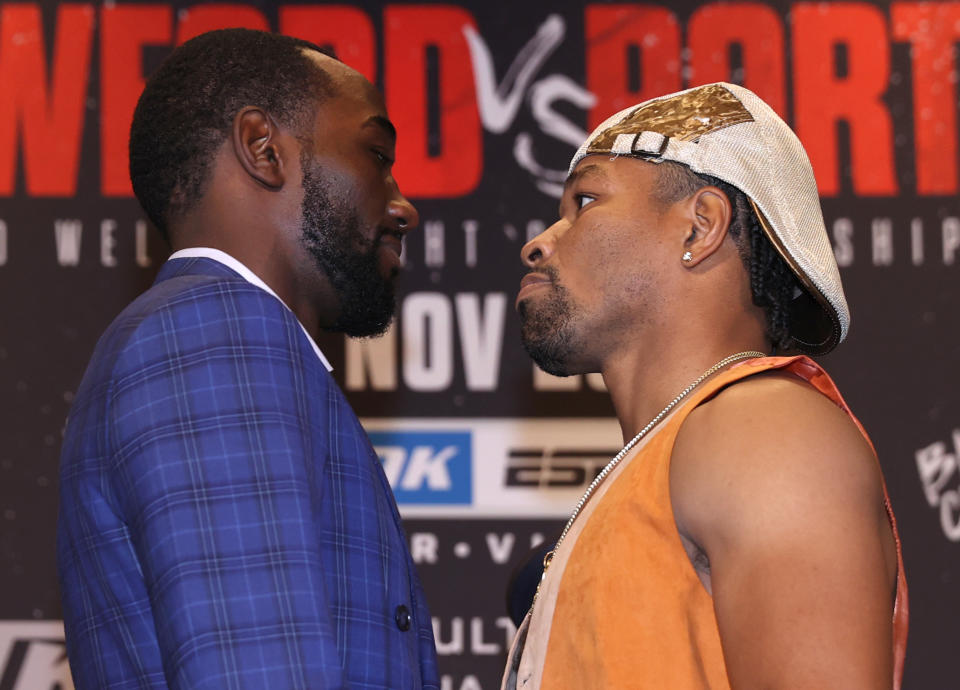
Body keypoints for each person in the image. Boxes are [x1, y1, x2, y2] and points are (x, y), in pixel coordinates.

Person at [57, 28, 438, 689]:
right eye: (377, 154)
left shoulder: (213, 336)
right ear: (264, 150)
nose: (401, 204)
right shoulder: (216, 334)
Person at [502, 83, 908, 690]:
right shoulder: (678, 450)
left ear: (701, 226)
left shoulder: (764, 428)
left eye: (584, 200)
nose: (540, 243)